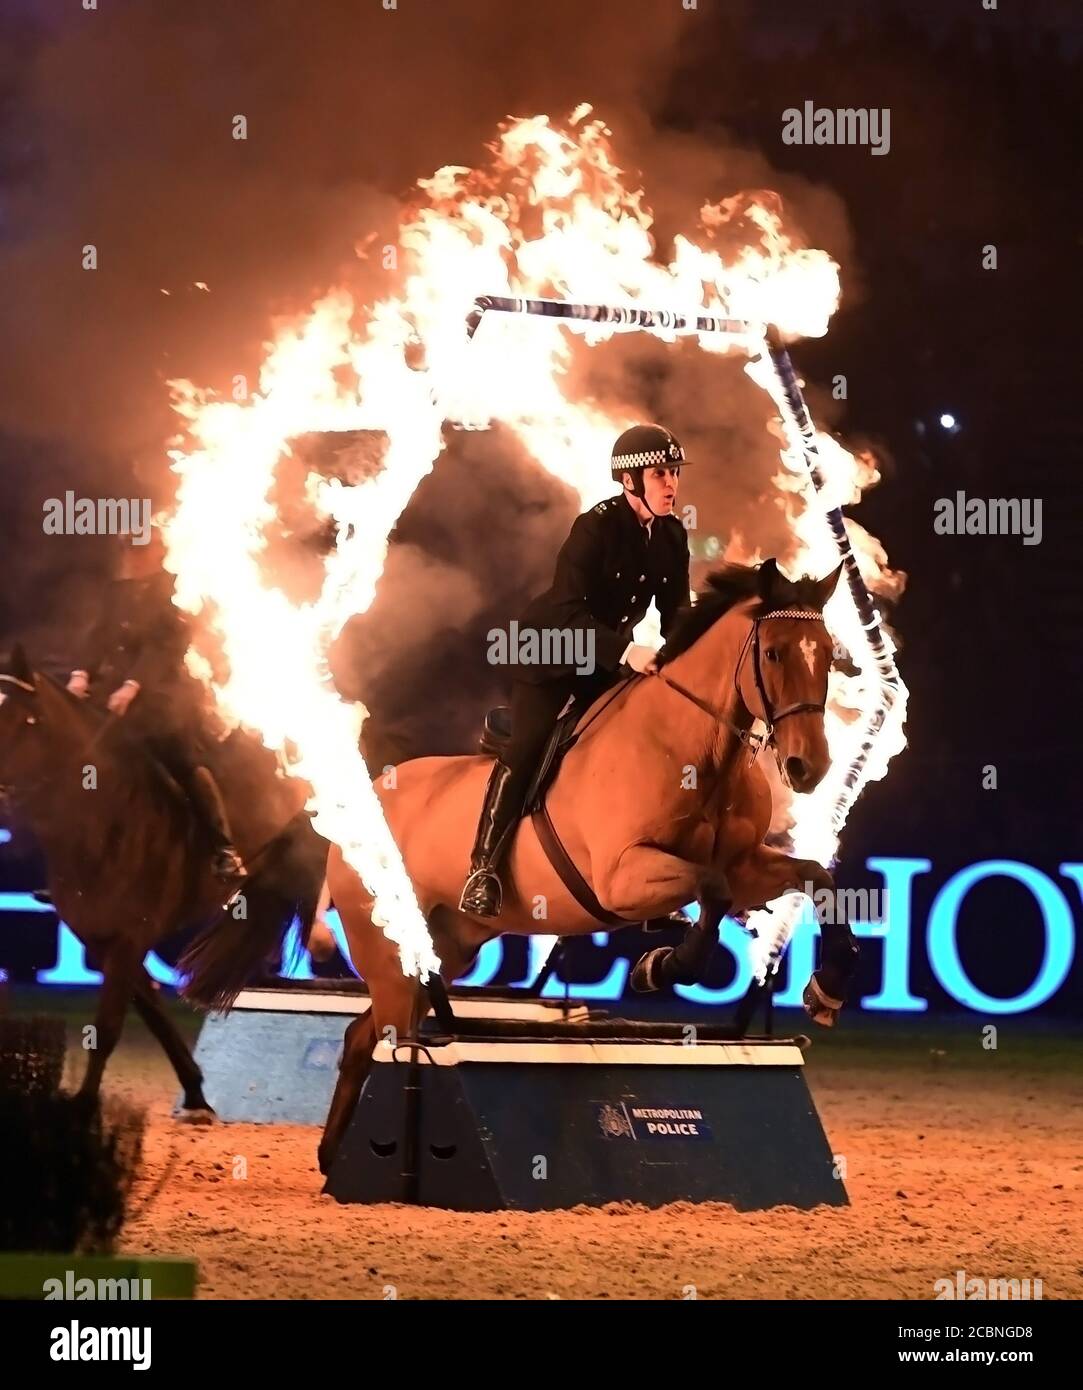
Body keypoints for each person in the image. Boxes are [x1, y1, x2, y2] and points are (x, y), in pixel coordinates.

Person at [460, 423, 693, 919]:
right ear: (630, 481)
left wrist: (693, 660)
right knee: (527, 747)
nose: (671, 483)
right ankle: (482, 869)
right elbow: (566, 609)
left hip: (605, 658)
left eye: (674, 472)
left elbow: (678, 616)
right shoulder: (596, 526)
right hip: (552, 647)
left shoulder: (673, 534)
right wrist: (626, 651)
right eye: (659, 473)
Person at [66, 529, 246, 888]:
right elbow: (98, 635)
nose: (131, 556)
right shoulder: (116, 593)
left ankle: (222, 848)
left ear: (156, 551)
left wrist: (133, 685)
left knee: (185, 764)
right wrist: (80, 673)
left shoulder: (175, 590)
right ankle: (78, 868)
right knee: (78, 767)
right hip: (111, 697)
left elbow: (165, 646)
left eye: (139, 548)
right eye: (127, 549)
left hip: (163, 699)